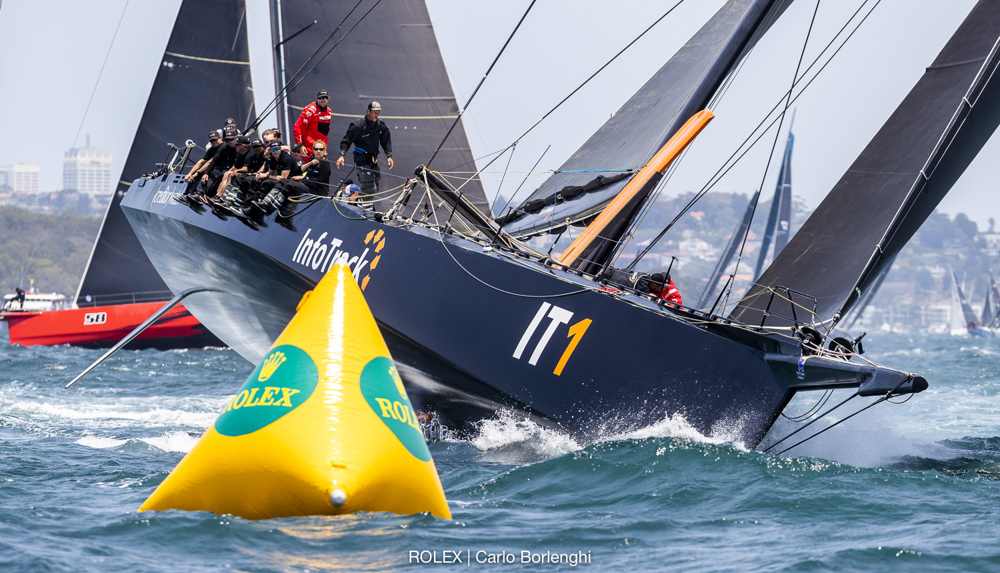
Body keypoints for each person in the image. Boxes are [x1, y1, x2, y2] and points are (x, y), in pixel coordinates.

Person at [336, 101, 392, 208]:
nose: (377, 114)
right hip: (361, 158)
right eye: (375, 112)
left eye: (378, 112)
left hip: (373, 159)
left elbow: (386, 140)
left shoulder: (380, 125)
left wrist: (389, 155)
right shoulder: (358, 125)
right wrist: (342, 155)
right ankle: (363, 207)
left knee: (376, 183)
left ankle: (362, 204)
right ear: (368, 111)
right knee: (369, 185)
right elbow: (347, 140)